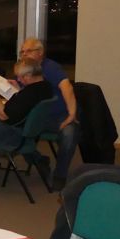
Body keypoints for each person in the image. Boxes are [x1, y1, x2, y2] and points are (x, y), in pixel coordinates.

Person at [19, 37, 79, 190]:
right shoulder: (25, 68)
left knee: (69, 134)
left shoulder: (50, 67)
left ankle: (60, 175)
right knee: (13, 128)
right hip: (34, 116)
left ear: (40, 52)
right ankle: (39, 159)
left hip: (57, 116)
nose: (24, 55)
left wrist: (71, 114)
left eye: (28, 51)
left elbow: (67, 87)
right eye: (22, 52)